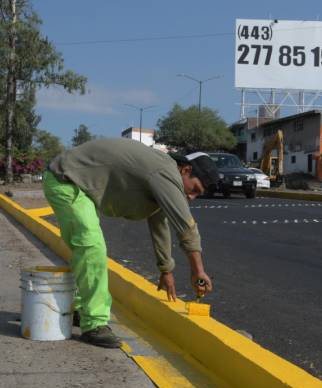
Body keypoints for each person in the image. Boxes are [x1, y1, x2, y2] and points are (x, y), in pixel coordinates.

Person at [43, 138, 219, 348]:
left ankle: (82, 311)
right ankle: (94, 325)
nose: (192, 197)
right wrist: (198, 271)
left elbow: (159, 223)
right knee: (92, 248)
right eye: (195, 189)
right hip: (65, 181)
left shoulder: (162, 176)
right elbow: (186, 227)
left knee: (87, 252)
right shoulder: (165, 171)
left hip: (76, 185)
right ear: (186, 170)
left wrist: (166, 270)